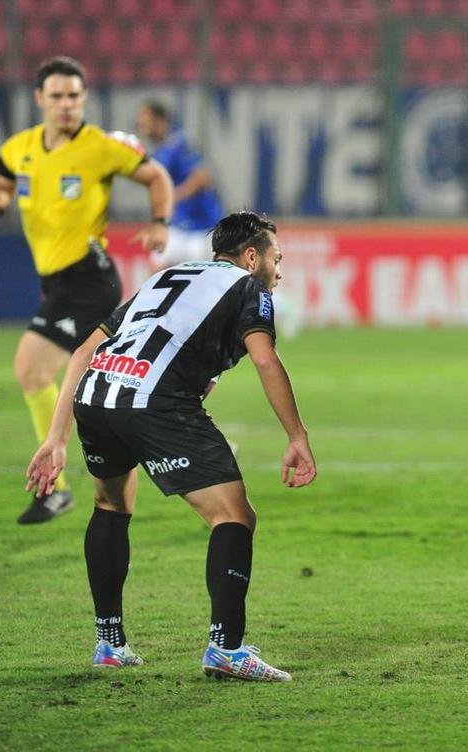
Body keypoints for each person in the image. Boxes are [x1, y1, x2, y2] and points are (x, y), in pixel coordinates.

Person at [26, 210, 317, 682]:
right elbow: (266, 361)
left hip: (98, 394)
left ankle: (109, 643)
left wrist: (55, 438)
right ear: (250, 257)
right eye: (276, 258)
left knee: (111, 504)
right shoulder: (249, 289)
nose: (279, 270)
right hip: (151, 402)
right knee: (234, 514)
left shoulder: (168, 275)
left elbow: (85, 352)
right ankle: (227, 648)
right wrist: (297, 437)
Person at [0, 56, 174, 524]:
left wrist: (159, 222)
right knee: (96, 384)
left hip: (88, 276)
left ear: (84, 99)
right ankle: (129, 451)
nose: (67, 105)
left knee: (31, 367)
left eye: (75, 96)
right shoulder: (20, 147)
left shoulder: (99, 147)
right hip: (57, 280)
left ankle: (56, 485)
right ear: (40, 99)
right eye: (58, 96)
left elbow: (155, 175)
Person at [135, 99, 224, 268]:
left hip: (200, 228)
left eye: (144, 118)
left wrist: (172, 197)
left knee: (203, 283)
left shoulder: (179, 144)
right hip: (178, 226)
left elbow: (203, 177)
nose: (140, 124)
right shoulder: (162, 150)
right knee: (156, 271)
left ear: (159, 120)